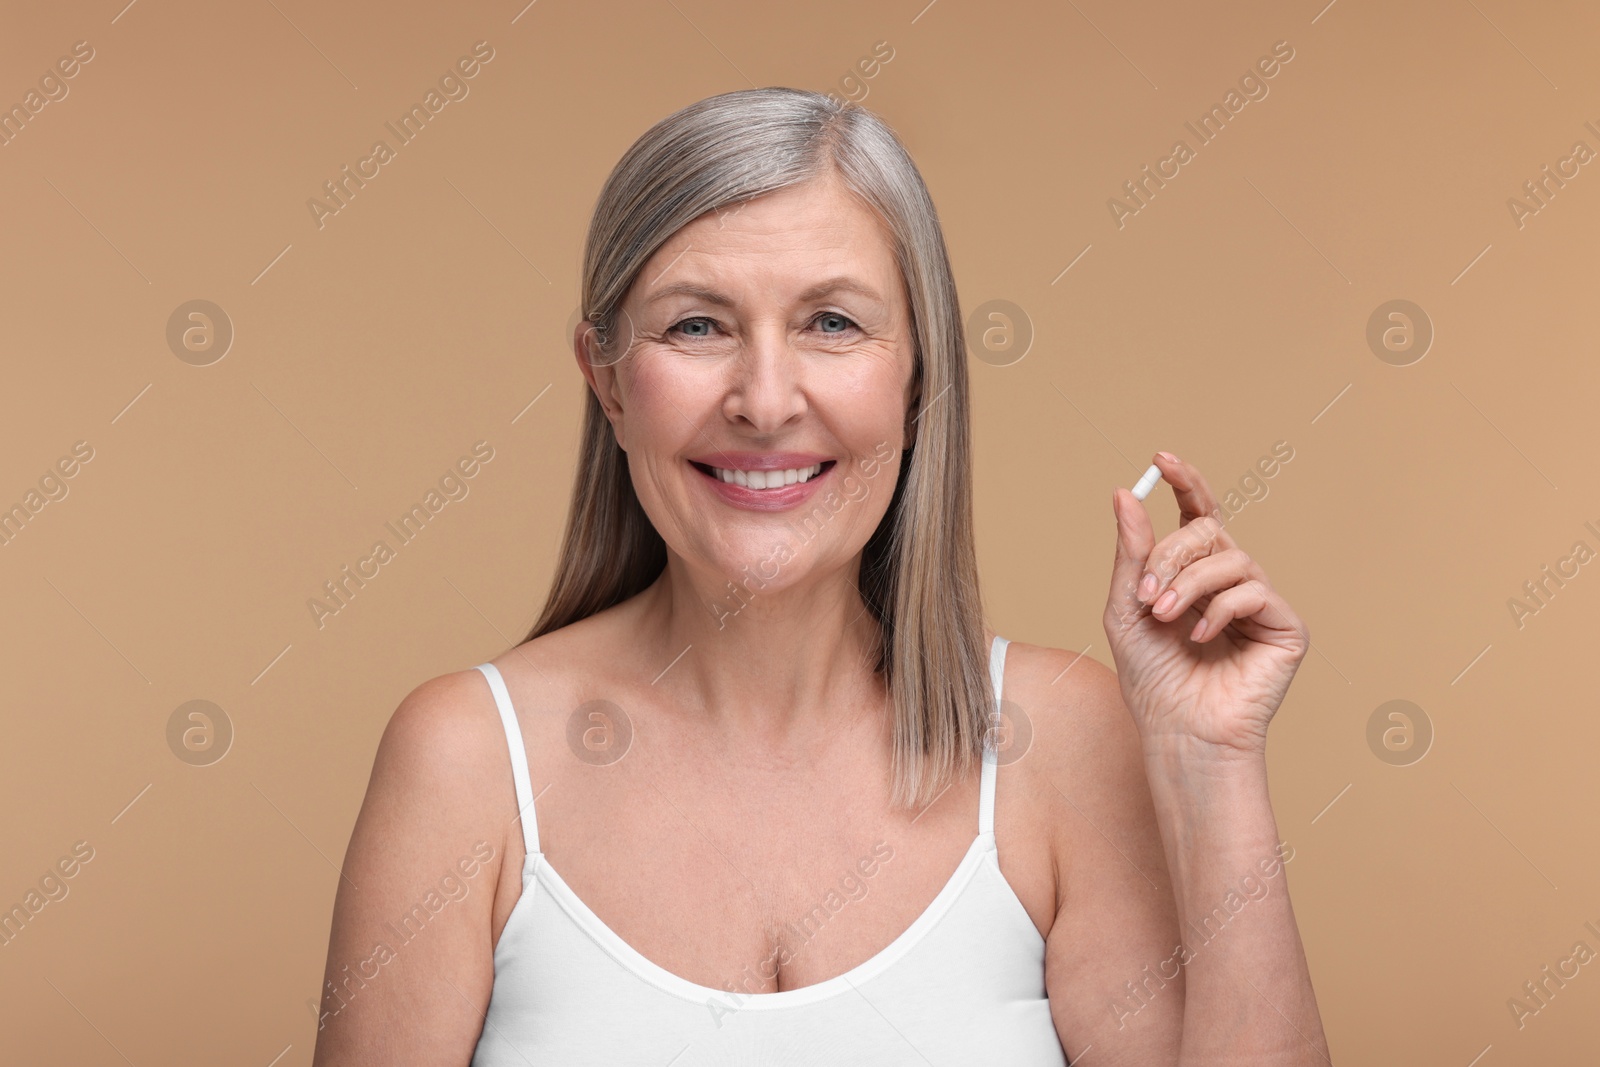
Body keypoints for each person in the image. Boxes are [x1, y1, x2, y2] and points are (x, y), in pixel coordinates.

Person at [311, 87, 1329, 1065]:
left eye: (832, 323)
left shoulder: (1061, 741)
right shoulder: (465, 761)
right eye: (697, 325)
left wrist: (1211, 765)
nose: (763, 400)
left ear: (917, 374)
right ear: (608, 381)